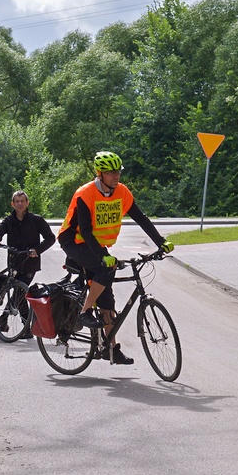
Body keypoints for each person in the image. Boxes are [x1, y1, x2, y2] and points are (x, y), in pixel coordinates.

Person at [58, 151, 174, 365]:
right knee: (106, 269)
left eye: (118, 171)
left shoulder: (121, 192)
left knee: (107, 300)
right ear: (99, 173)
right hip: (73, 240)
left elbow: (142, 219)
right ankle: (84, 312)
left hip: (95, 244)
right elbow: (84, 229)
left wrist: (160, 242)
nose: (116, 176)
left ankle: (110, 349)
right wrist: (104, 256)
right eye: (110, 172)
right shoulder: (86, 193)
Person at [0, 190, 55, 331]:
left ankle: (17, 323)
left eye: (22, 201)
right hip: (14, 261)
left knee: (19, 292)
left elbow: (50, 238)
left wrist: (37, 250)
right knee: (19, 293)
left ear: (27, 203)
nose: (19, 204)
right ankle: (17, 324)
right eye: (17, 201)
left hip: (30, 262)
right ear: (12, 204)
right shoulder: (8, 220)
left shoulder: (36, 220)